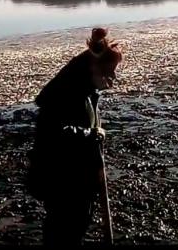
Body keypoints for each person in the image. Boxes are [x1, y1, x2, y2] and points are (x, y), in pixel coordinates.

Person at [27, 28, 122, 246]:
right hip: (61, 176)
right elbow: (54, 133)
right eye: (109, 72)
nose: (113, 78)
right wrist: (91, 135)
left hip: (76, 176)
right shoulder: (65, 93)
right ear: (93, 68)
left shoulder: (86, 90)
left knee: (74, 227)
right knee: (63, 230)